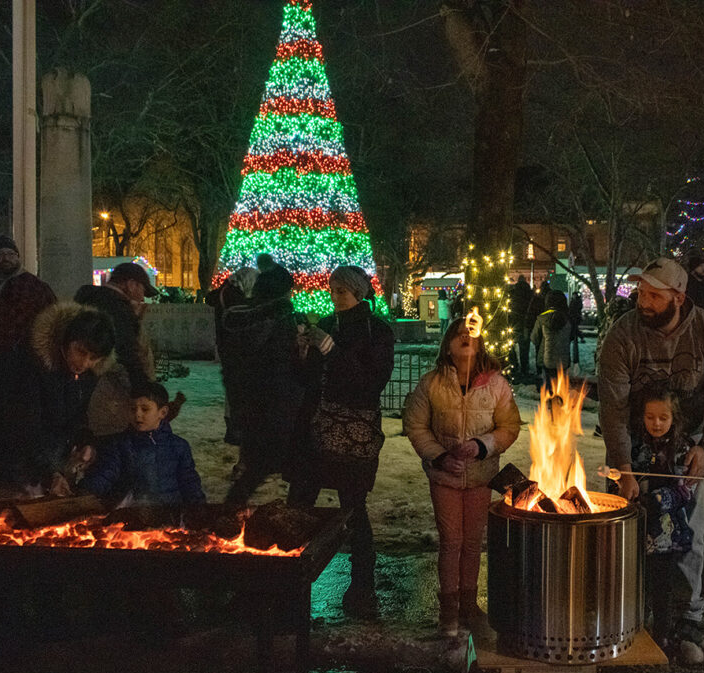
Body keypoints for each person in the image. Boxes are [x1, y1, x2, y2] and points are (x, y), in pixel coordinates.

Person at [597, 257, 704, 645]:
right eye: (641, 292)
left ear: (678, 297)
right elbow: (612, 406)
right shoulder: (623, 335)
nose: (643, 301)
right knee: (629, 530)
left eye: (653, 295)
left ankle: (688, 612)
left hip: (685, 448)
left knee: (686, 530)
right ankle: (629, 610)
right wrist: (624, 467)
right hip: (633, 445)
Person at [286, 265, 394, 619]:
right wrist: (301, 355)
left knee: (353, 510)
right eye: (331, 291)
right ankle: (288, 583)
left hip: (353, 435)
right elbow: (310, 381)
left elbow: (367, 385)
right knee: (298, 506)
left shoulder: (377, 332)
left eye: (341, 292)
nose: (334, 298)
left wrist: (330, 349)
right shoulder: (328, 326)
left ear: (359, 295)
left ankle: (362, 585)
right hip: (316, 432)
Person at [403, 317, 521, 637]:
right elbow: (416, 426)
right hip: (445, 477)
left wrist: (482, 445)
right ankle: (448, 611)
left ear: (481, 342)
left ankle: (469, 605)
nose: (465, 339)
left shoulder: (496, 384)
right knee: (451, 541)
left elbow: (509, 426)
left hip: (481, 476)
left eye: (471, 334)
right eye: (458, 335)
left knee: (472, 543)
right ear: (448, 345)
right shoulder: (432, 383)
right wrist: (439, 456)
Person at [0, 303, 115, 486]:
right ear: (67, 340)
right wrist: (50, 473)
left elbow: (76, 416)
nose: (85, 363)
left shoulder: (86, 376)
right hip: (4, 465)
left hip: (42, 465)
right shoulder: (28, 365)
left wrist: (84, 441)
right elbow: (22, 430)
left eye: (94, 358)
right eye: (81, 352)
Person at [223, 265, 303, 505]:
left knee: (257, 466)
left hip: (246, 403)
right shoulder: (282, 319)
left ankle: (232, 509)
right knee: (284, 466)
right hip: (279, 405)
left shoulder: (235, 320)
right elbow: (287, 364)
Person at [632, 389, 698, 648]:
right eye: (650, 417)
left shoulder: (682, 449)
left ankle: (662, 633)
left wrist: (658, 499)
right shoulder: (638, 445)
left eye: (663, 418)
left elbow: (686, 490)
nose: (656, 424)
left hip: (667, 533)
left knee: (662, 585)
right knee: (639, 582)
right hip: (639, 529)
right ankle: (637, 627)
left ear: (674, 418)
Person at [79, 382, 205, 507]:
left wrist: (198, 506)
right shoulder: (120, 445)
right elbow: (106, 474)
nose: (138, 414)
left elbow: (189, 481)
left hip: (169, 514)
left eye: (145, 409)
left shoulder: (178, 446)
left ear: (163, 412)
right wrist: (86, 490)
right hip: (132, 513)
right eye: (133, 409)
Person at [0, 234, 56, 376]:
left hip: (22, 366)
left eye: (10, 254)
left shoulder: (34, 287)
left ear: (18, 257)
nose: (6, 258)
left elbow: (51, 321)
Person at [75, 261, 157, 390]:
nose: (142, 298)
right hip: (104, 385)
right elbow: (127, 350)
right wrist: (143, 388)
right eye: (143, 290)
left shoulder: (87, 298)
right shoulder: (119, 309)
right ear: (131, 285)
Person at [205, 267, 259, 447]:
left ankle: (232, 427)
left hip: (226, 346)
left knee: (232, 388)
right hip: (237, 349)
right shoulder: (236, 299)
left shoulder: (223, 292)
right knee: (238, 389)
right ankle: (236, 429)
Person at [530, 289, 571, 388]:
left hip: (547, 359)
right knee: (561, 387)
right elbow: (571, 337)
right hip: (564, 360)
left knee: (548, 388)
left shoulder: (542, 319)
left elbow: (534, 338)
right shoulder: (568, 319)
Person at [509, 275, 533, 375]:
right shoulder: (530, 293)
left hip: (513, 322)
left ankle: (514, 365)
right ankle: (524, 368)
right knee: (524, 347)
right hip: (525, 323)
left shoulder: (513, 293)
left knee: (511, 346)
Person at [569, 290, 583, 367]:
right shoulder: (574, 301)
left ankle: (580, 336)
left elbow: (577, 309)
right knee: (575, 329)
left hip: (575, 318)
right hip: (573, 317)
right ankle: (579, 336)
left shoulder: (577, 301)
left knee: (575, 329)